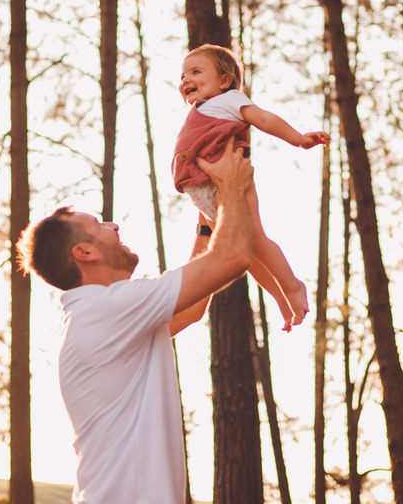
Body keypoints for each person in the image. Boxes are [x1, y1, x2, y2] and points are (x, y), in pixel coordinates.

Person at [18, 137, 256, 504]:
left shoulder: (101, 315)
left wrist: (209, 218)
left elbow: (191, 309)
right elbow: (234, 256)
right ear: (85, 252)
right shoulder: (108, 309)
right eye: (98, 225)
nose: (112, 225)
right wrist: (232, 185)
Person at [173, 43, 329, 331]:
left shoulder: (229, 99)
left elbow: (264, 119)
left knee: (255, 238)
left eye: (195, 72)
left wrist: (298, 138)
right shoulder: (203, 109)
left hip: (227, 183)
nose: (186, 80)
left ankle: (292, 286)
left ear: (224, 80)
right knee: (243, 252)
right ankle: (282, 298)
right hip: (205, 193)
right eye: (183, 75)